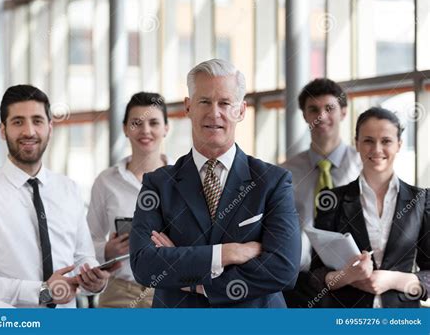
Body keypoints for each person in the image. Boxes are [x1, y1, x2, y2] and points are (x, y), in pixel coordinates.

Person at [129, 59, 301, 308]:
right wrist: (227, 253)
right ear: (188, 107)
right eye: (204, 102)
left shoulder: (272, 182)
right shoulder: (158, 184)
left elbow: (283, 269)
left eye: (225, 103)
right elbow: (145, 265)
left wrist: (196, 283)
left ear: (241, 111)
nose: (214, 113)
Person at [0, 85, 119, 308]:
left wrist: (95, 281)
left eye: (37, 121)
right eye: (18, 122)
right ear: (3, 130)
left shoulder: (68, 189)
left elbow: (83, 257)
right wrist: (41, 292)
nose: (29, 131)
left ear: (50, 128)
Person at [310, 107, 429, 307]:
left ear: (399, 144)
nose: (377, 149)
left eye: (386, 141)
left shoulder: (422, 199)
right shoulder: (332, 200)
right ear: (356, 143)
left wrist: (393, 280)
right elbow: (315, 276)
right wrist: (348, 276)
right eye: (368, 140)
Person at [281, 78, 362, 307]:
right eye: (313, 109)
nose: (321, 116)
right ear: (305, 116)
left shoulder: (363, 167)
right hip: (300, 281)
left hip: (350, 277)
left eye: (330, 108)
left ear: (344, 112)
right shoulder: (286, 173)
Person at [87, 92, 171, 308]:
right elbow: (85, 243)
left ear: (166, 128)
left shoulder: (183, 179)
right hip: (119, 294)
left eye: (153, 123)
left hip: (171, 291)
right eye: (136, 123)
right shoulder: (106, 181)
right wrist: (107, 250)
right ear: (125, 129)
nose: (145, 130)